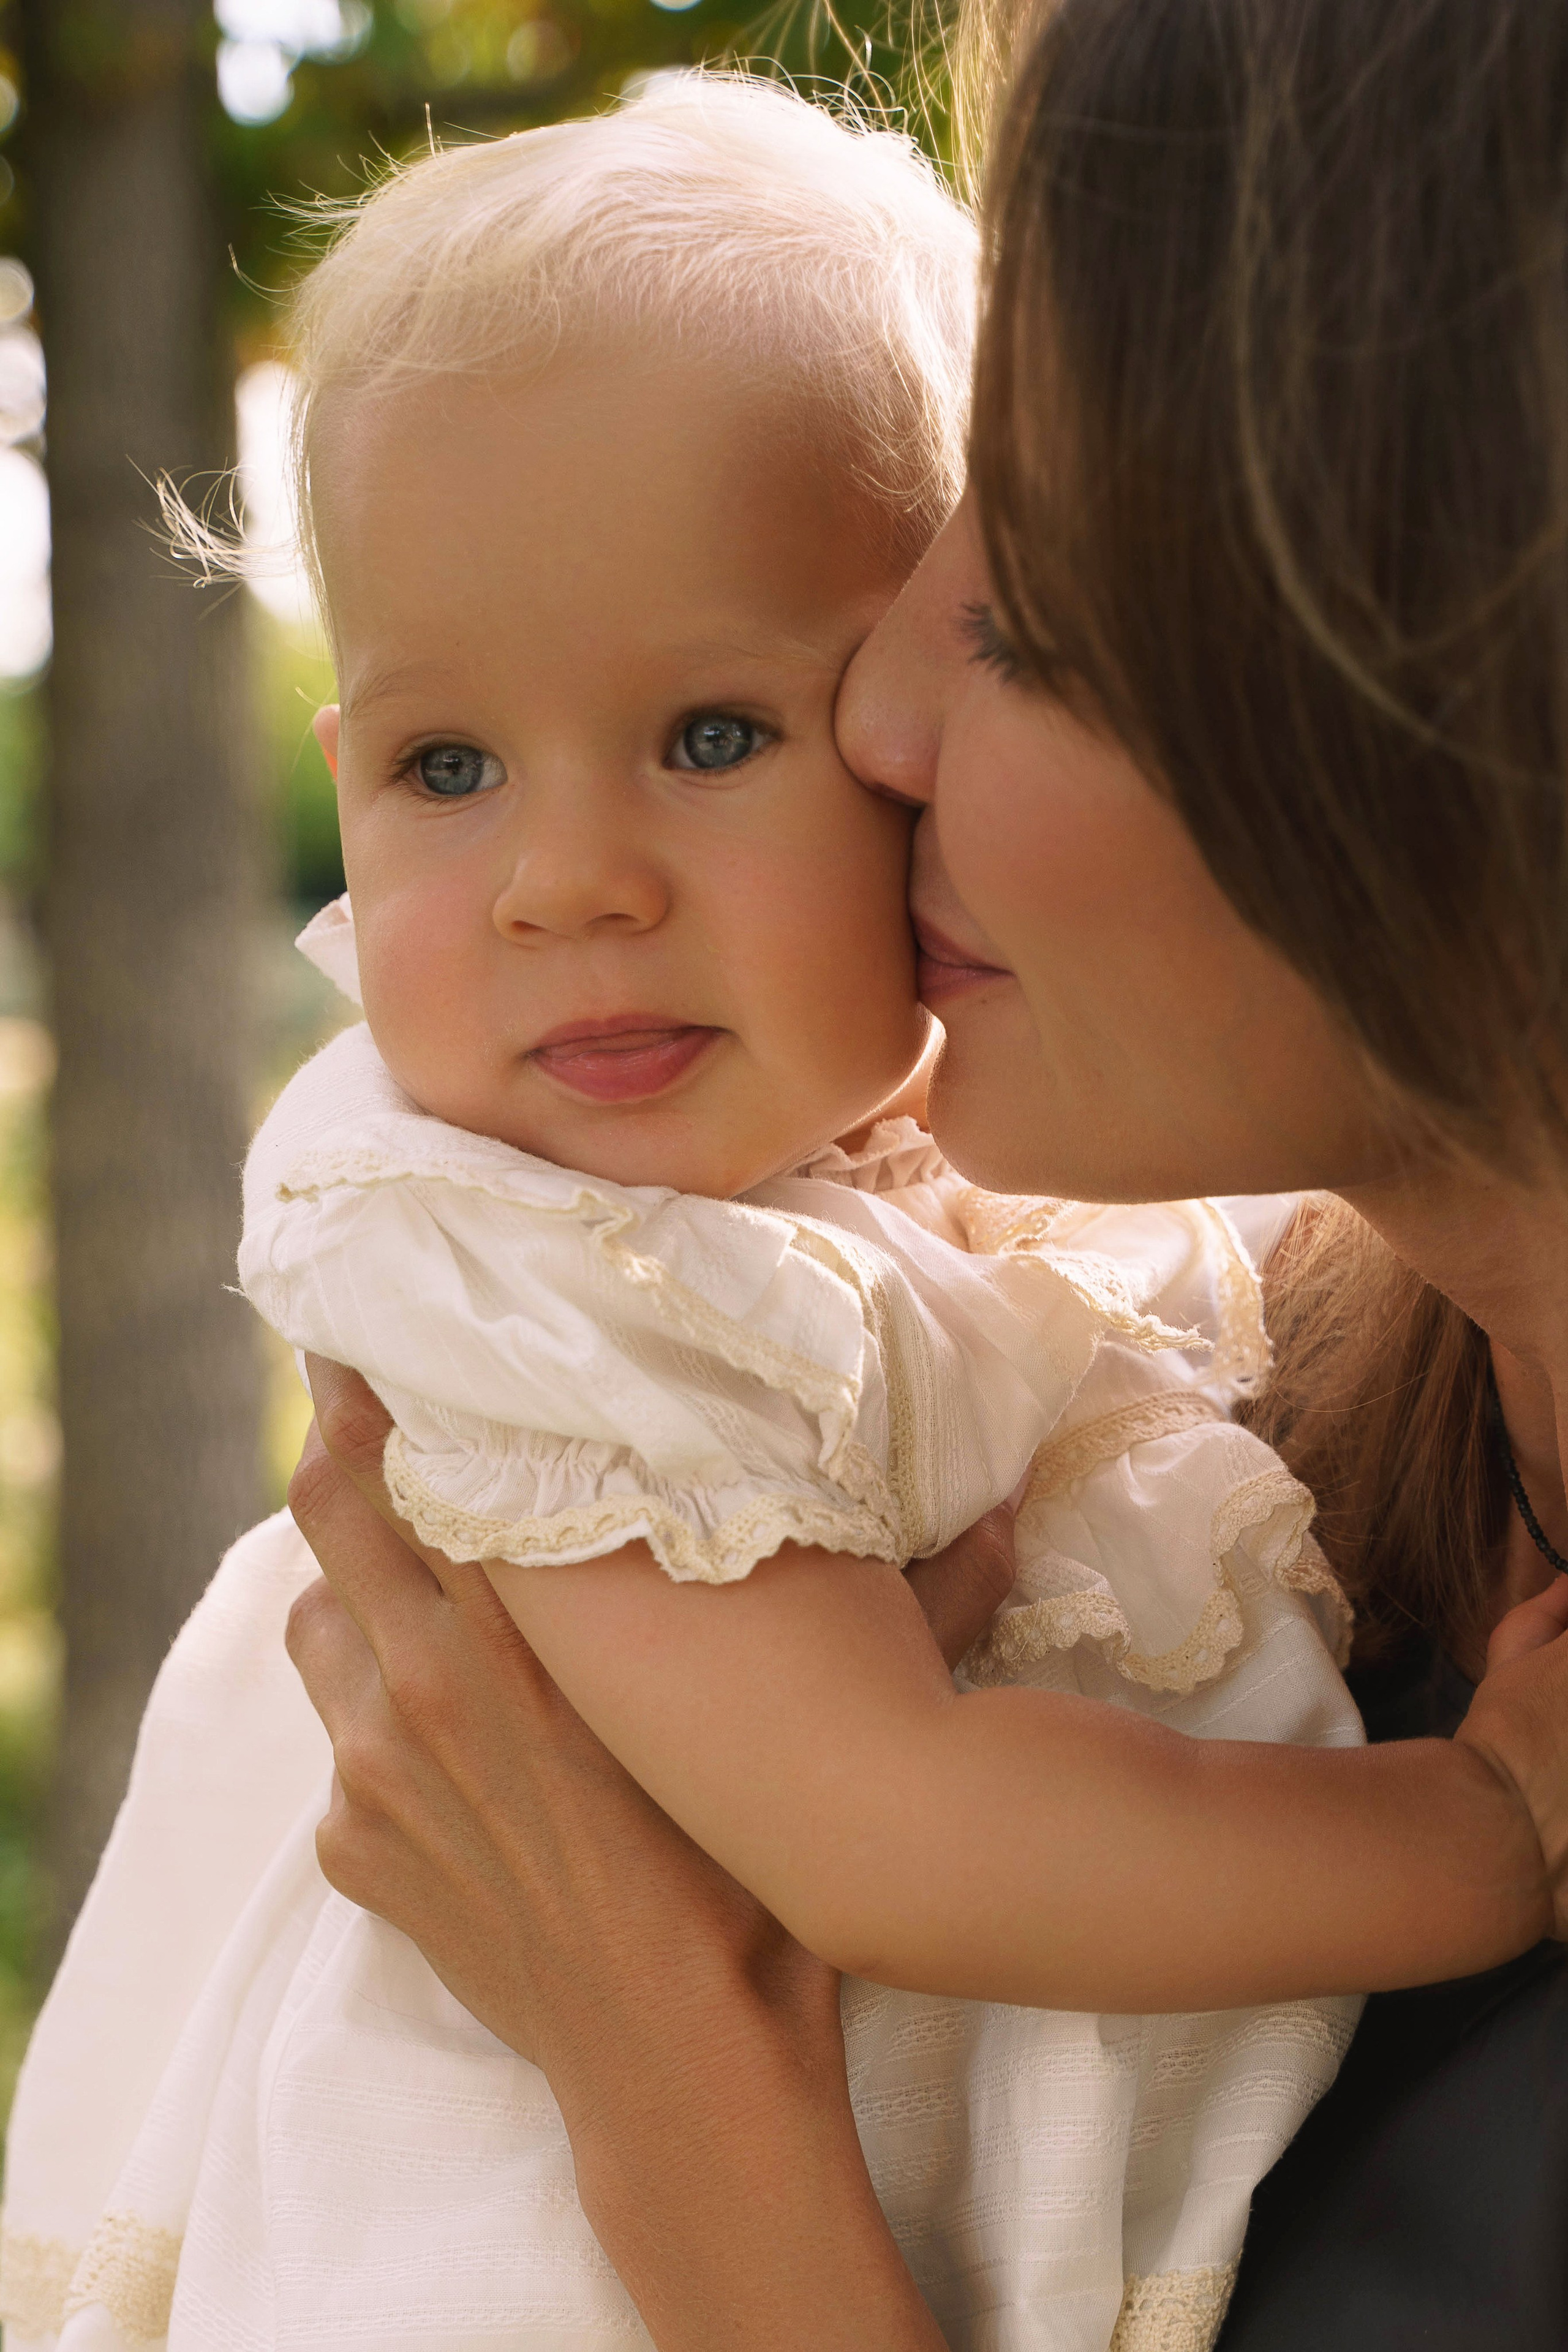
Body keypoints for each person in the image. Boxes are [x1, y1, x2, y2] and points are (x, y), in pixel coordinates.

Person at [206, 1, 1568, 2348]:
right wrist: (1474, 1846)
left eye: (1024, 610)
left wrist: (676, 2077)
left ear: (1436, 673)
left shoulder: (1108, 1351)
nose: (889, 727)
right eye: (442, 763)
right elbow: (890, 1825)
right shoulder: (605, 1304)